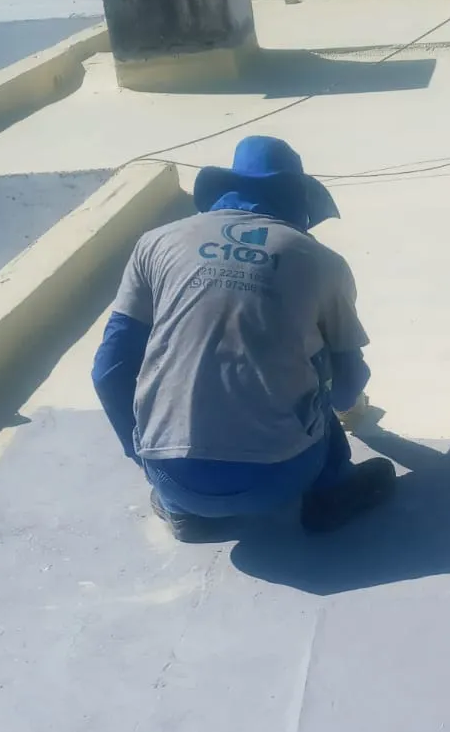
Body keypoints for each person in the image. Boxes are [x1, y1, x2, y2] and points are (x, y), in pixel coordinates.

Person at [92, 135, 395, 542]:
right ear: (298, 198)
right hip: (281, 477)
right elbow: (347, 382)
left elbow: (108, 370)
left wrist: (144, 458)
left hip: (171, 476)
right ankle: (331, 491)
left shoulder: (155, 244)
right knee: (316, 371)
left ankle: (182, 510)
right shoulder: (321, 261)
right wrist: (345, 402)